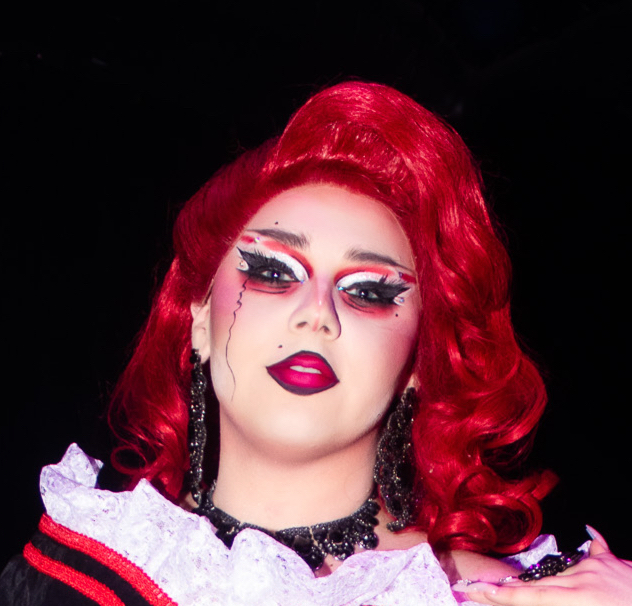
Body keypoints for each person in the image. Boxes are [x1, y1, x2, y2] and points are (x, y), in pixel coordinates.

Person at [1, 81, 630, 605]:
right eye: (273, 273)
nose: (316, 315)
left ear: (418, 360)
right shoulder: (71, 572)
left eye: (368, 291)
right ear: (199, 318)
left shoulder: (502, 597)